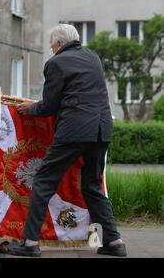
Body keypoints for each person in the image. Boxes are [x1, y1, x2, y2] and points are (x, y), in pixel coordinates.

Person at [10, 24, 127, 257]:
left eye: (52, 45)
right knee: (92, 185)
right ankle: (114, 242)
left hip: (74, 130)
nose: (51, 50)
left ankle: (30, 243)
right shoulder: (93, 57)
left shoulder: (55, 64)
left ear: (60, 44)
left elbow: (49, 105)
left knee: (43, 182)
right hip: (102, 129)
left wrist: (31, 108)